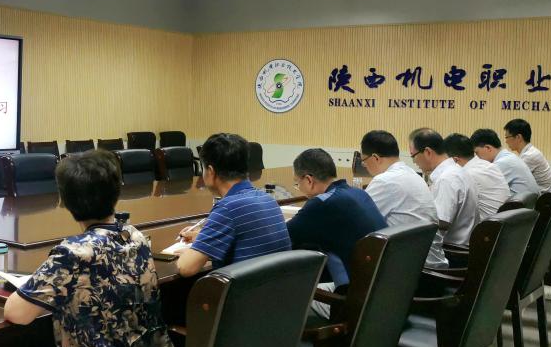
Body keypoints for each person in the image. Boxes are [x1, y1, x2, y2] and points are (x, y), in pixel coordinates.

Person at [4, 149, 178, 347]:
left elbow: (16, 313)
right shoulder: (135, 236)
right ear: (116, 192)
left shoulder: (74, 252)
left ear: (63, 200)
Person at [173, 133, 291, 278]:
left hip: (244, 291)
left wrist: (188, 254)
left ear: (210, 171)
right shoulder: (267, 199)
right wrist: (203, 239)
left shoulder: (227, 208)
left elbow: (187, 268)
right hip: (273, 289)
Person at [287, 148, 386, 320]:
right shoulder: (359, 193)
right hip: (381, 294)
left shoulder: (321, 204)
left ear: (309, 180)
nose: (299, 188)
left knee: (281, 297)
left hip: (354, 302)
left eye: (297, 183)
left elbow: (283, 238)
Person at [359, 130, 448, 268]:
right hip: (430, 264)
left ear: (375, 158)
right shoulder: (413, 175)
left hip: (415, 271)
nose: (365, 167)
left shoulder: (384, 181)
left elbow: (360, 223)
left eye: (364, 162)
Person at [409, 128, 480, 249]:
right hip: (463, 246)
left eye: (413, 156)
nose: (414, 162)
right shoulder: (456, 171)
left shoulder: (447, 179)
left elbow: (441, 222)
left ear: (427, 152)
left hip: (453, 252)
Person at [444, 133, 510, 221]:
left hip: (486, 226)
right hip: (504, 222)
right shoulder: (488, 165)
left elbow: (448, 212)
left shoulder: (465, 175)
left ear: (455, 159)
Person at [470, 128, 540, 197]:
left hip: (518, 204)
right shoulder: (507, 157)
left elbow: (481, 188)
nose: (477, 157)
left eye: (477, 152)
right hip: (527, 202)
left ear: (488, 148)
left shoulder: (502, 163)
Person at [503, 118, 551, 190]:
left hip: (545, 195)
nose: (506, 141)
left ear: (518, 137)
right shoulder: (530, 152)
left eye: (507, 137)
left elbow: (511, 180)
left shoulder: (529, 156)